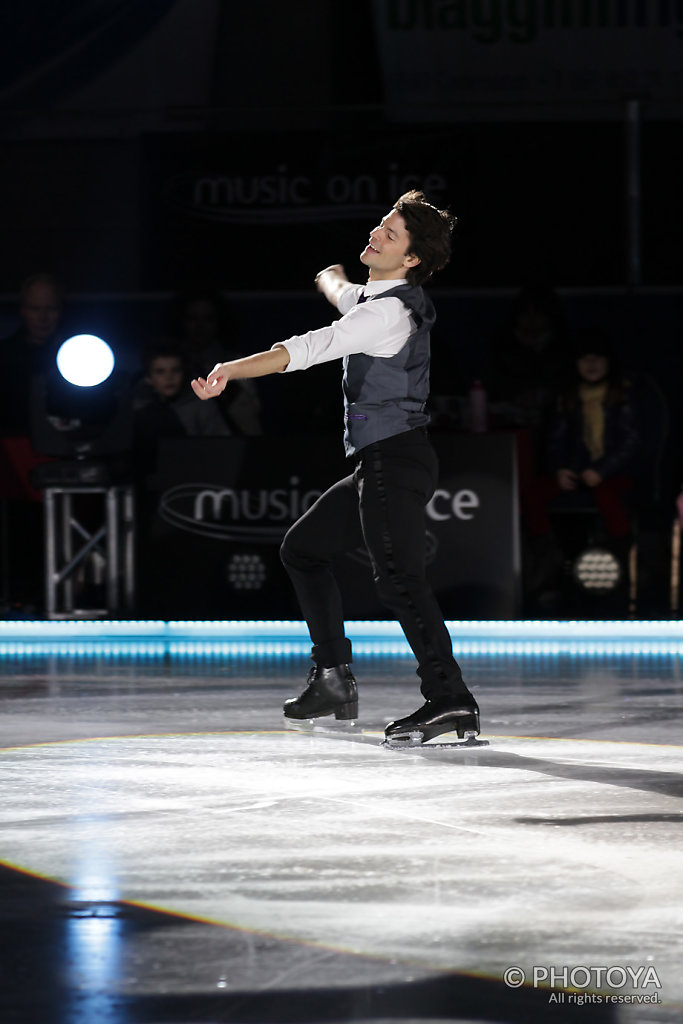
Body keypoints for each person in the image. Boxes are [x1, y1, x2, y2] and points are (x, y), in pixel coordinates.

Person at [192, 190, 480, 745]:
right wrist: (330, 279)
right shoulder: (381, 301)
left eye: (390, 235)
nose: (377, 234)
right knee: (302, 549)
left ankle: (449, 698)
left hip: (394, 458)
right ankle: (332, 680)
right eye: (380, 225)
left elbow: (307, 348)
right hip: (387, 459)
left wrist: (229, 368)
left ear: (412, 258)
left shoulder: (389, 312)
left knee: (398, 580)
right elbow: (345, 294)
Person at [521, 328, 641, 599]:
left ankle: (619, 557)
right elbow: (556, 440)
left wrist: (602, 470)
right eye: (585, 359)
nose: (591, 365)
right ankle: (548, 558)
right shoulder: (569, 396)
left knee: (606, 494)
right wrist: (559, 469)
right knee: (534, 494)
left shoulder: (622, 394)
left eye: (598, 358)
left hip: (615, 473)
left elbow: (630, 443)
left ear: (609, 362)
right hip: (577, 470)